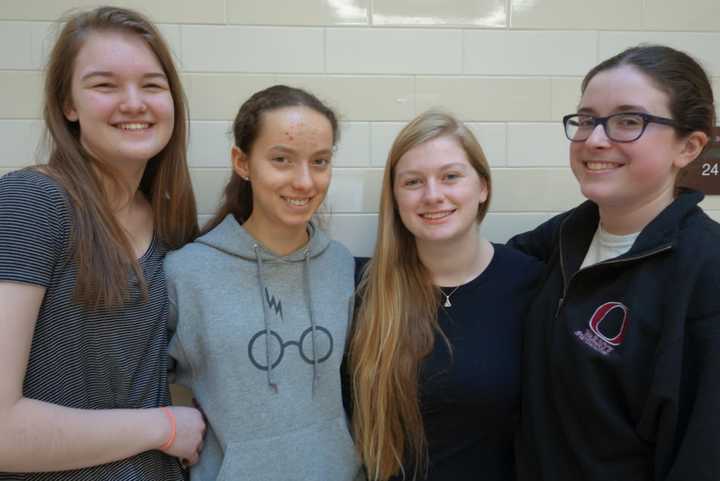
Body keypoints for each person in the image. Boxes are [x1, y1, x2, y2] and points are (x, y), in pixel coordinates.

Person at [0, 6, 206, 480]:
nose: (134, 103)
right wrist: (163, 425)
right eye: (104, 85)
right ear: (68, 105)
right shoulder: (33, 201)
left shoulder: (168, 222)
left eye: (152, 85)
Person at [508, 45, 719, 481]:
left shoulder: (707, 272)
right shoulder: (564, 237)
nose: (595, 138)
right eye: (586, 119)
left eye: (629, 121)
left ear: (689, 146)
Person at [165, 85, 363, 481]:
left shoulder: (340, 265)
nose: (304, 182)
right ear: (242, 162)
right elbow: (139, 388)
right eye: (281, 160)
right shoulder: (187, 273)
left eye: (320, 161)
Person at [346, 110, 542, 481]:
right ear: (395, 197)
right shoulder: (362, 288)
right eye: (413, 182)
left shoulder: (531, 283)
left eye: (451, 176)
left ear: (482, 187)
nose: (433, 195)